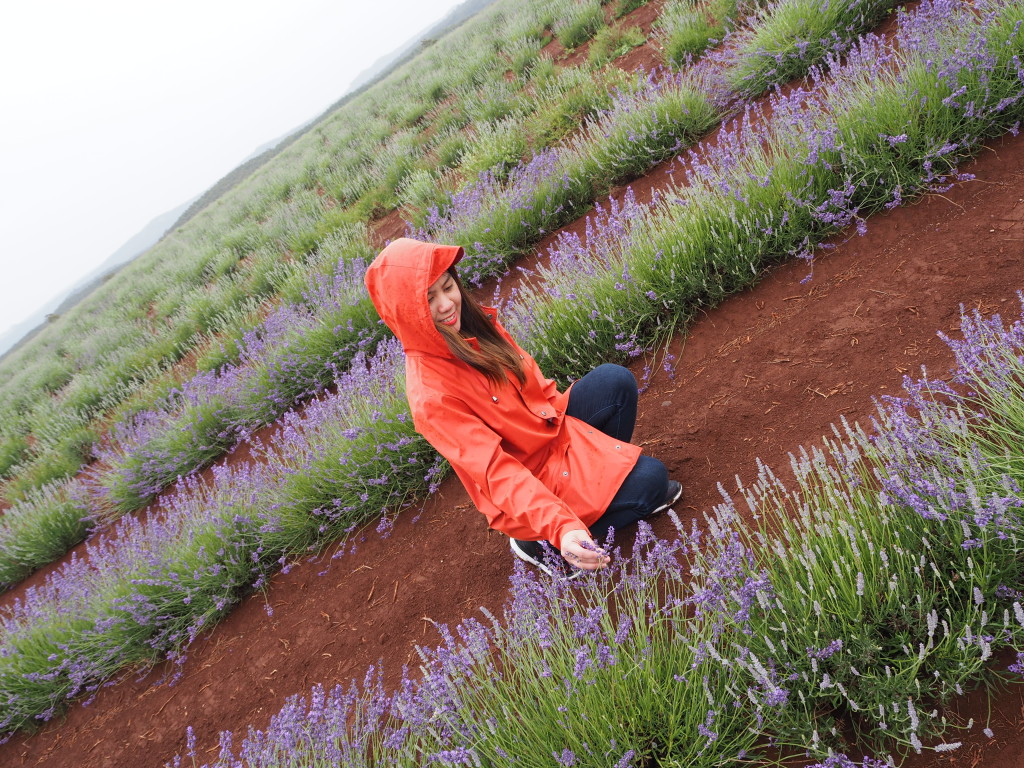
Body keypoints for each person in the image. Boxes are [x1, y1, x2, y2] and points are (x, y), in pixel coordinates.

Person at [364, 237, 681, 576]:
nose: (446, 304)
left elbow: (538, 390)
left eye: (447, 286)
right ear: (406, 313)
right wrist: (560, 526)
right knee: (653, 481)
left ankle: (601, 486)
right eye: (429, 298)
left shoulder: (475, 326)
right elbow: (497, 473)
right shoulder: (431, 395)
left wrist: (579, 441)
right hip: (526, 483)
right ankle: (543, 545)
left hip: (551, 438)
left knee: (614, 382)